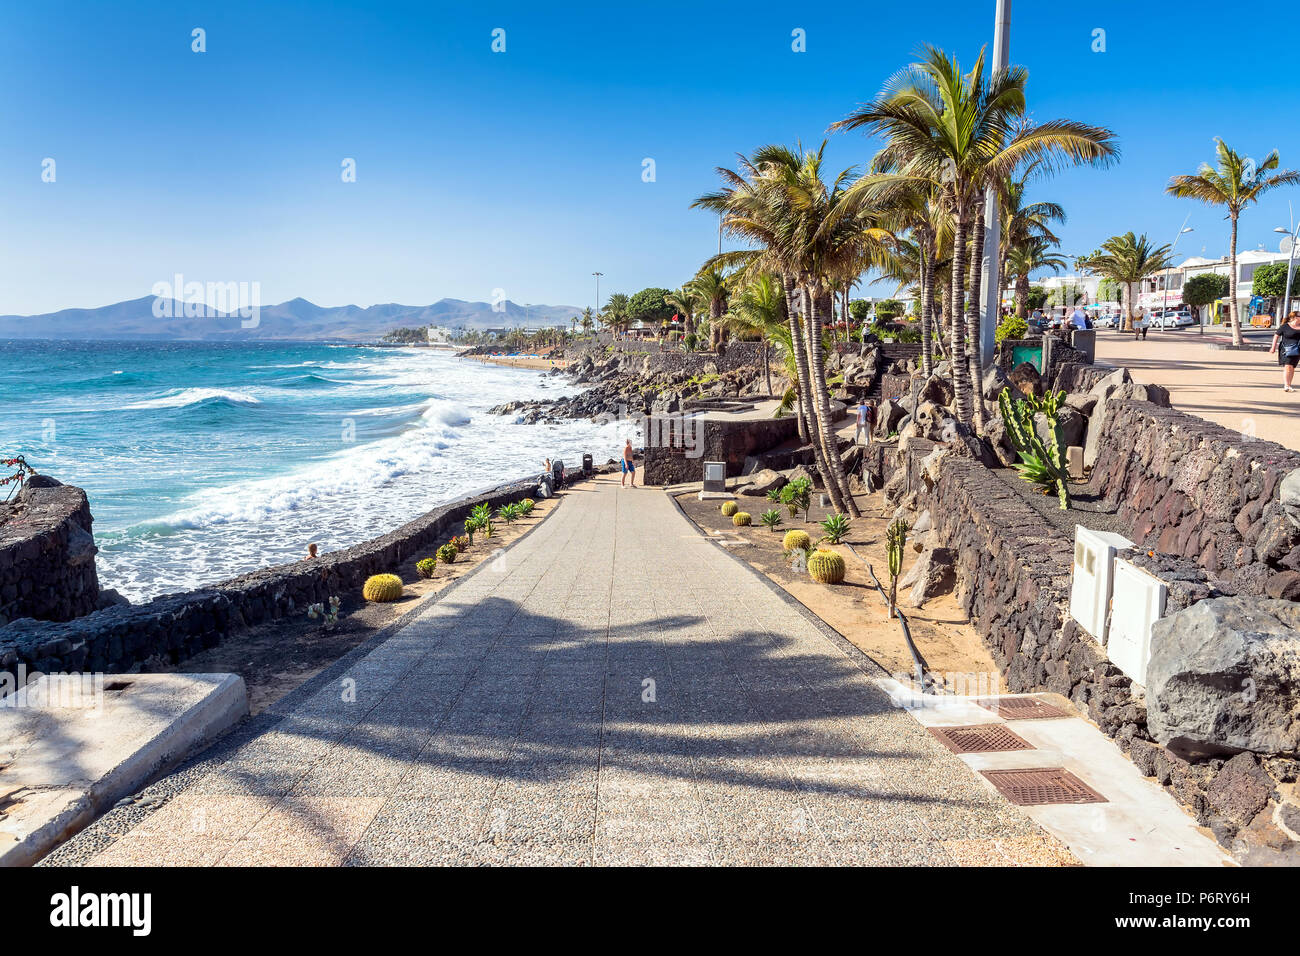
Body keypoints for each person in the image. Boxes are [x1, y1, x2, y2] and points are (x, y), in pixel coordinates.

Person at [1270, 311, 1300, 392]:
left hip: (1297, 350)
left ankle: (1289, 384)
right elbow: (1276, 336)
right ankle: (1286, 385)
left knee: (1292, 367)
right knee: (1288, 366)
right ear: (1295, 317)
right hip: (1286, 350)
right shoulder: (1285, 326)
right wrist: (1273, 348)